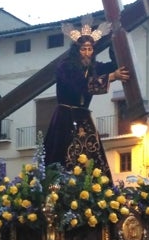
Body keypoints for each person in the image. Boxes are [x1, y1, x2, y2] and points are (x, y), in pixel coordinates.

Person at [44, 15, 129, 177]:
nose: (87, 53)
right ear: (77, 50)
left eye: (90, 49)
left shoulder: (93, 68)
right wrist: (112, 76)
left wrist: (113, 43)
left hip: (83, 117)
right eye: (83, 49)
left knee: (92, 158)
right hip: (65, 117)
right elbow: (80, 86)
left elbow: (114, 66)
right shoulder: (65, 66)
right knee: (62, 156)